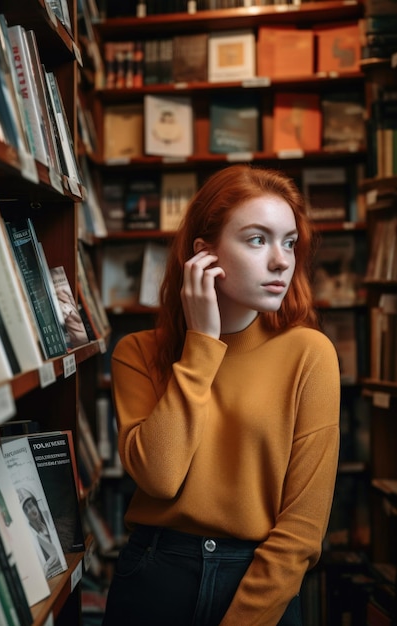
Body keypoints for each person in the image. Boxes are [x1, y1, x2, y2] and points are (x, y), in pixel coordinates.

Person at [102, 164, 340, 626]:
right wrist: (202, 346)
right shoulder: (137, 353)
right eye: (257, 239)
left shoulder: (310, 354)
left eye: (289, 242)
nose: (281, 261)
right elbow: (160, 478)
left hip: (259, 582)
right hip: (155, 575)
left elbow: (302, 532)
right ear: (204, 255)